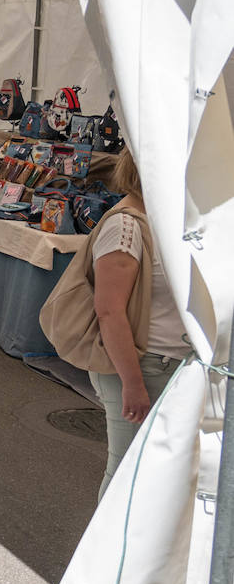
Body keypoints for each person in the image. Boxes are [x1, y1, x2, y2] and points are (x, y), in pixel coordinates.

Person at [87, 148, 192, 498]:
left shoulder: (166, 223)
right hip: (141, 366)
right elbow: (109, 312)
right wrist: (132, 383)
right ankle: (106, 553)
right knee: (125, 476)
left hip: (168, 365)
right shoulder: (126, 226)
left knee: (151, 477)